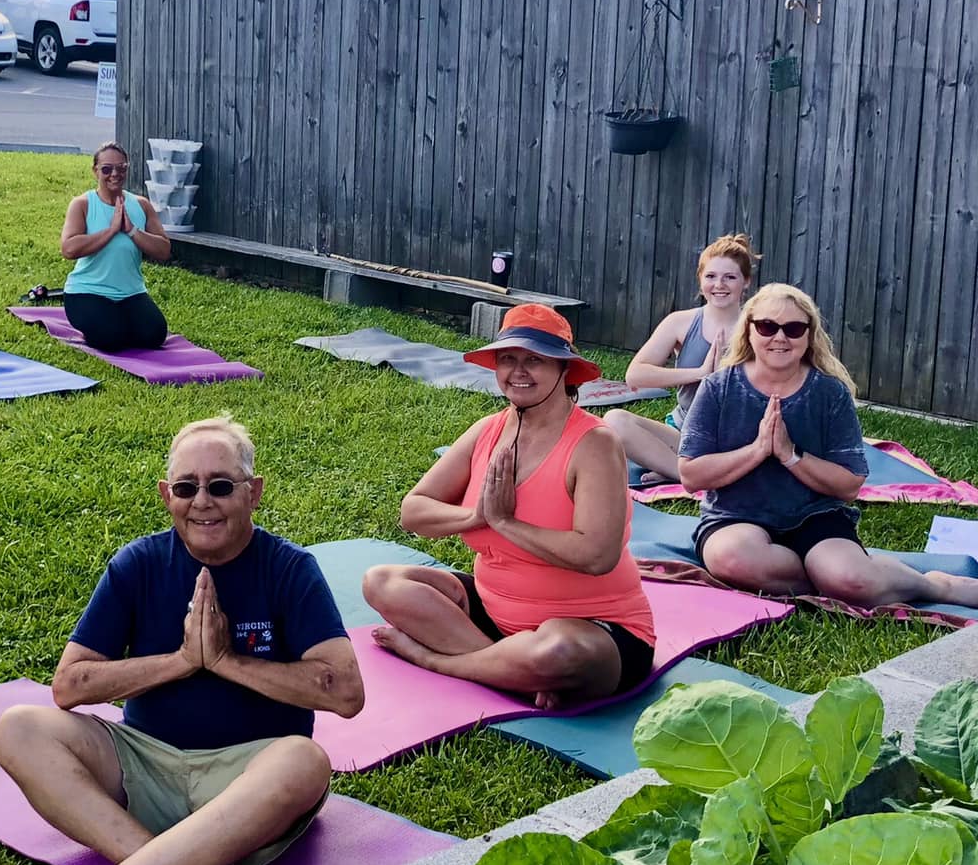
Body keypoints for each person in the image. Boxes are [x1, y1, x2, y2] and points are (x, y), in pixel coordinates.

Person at [0, 417, 362, 865]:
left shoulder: (289, 569)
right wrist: (183, 660)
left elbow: (345, 692)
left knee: (305, 762)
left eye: (221, 486)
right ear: (167, 496)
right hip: (143, 766)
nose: (202, 501)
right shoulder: (138, 564)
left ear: (253, 493)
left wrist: (227, 660)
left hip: (246, 782)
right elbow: (70, 685)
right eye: (187, 488)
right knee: (17, 728)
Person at [366, 304, 656, 711]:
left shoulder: (595, 444)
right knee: (381, 582)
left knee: (558, 654)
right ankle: (505, 669)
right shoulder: (488, 429)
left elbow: (597, 556)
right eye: (508, 359)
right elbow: (413, 511)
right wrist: (475, 517)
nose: (518, 371)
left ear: (564, 370)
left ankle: (437, 661)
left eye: (534, 360)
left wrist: (505, 522)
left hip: (591, 628)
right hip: (494, 613)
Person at [678, 284, 978, 610]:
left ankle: (933, 585)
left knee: (850, 579)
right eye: (767, 326)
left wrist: (790, 455)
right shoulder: (718, 388)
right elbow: (691, 475)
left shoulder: (829, 393)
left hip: (816, 517)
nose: (780, 338)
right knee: (733, 559)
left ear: (809, 335)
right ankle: (831, 579)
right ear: (748, 330)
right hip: (735, 517)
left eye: (793, 329)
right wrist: (758, 450)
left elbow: (849, 485)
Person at [604, 233, 759, 483]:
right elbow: (635, 375)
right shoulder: (681, 322)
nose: (719, 285)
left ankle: (679, 471)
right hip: (685, 435)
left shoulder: (760, 328)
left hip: (735, 442)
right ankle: (687, 474)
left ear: (746, 281)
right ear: (700, 279)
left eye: (730, 277)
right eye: (711, 276)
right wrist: (699, 373)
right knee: (615, 421)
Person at [59, 142, 174, 352]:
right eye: (106, 169)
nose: (114, 174)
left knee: (155, 335)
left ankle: (119, 322)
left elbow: (164, 250)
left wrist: (132, 231)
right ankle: (105, 324)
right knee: (111, 338)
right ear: (95, 171)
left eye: (121, 168)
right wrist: (111, 230)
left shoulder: (141, 205)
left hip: (131, 293)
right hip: (87, 291)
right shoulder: (82, 204)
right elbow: (68, 249)